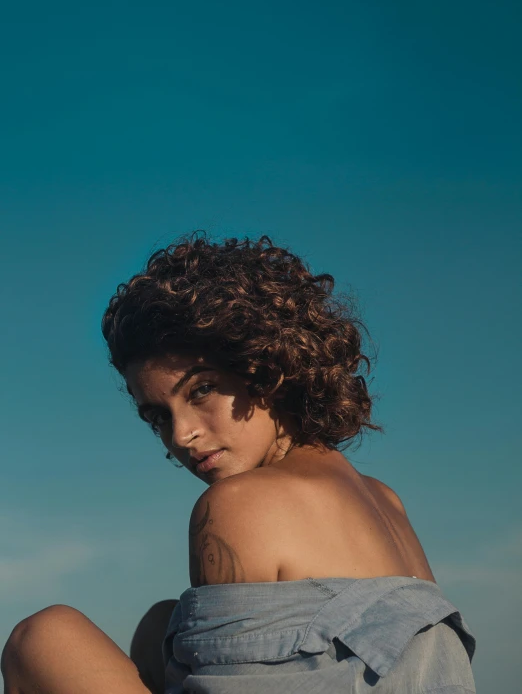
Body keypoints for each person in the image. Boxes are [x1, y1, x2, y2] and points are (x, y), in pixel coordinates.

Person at [1, 235, 476, 694]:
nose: (182, 434)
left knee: (43, 638)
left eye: (202, 390)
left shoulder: (239, 505)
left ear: (268, 367)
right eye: (159, 416)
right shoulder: (383, 498)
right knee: (159, 627)